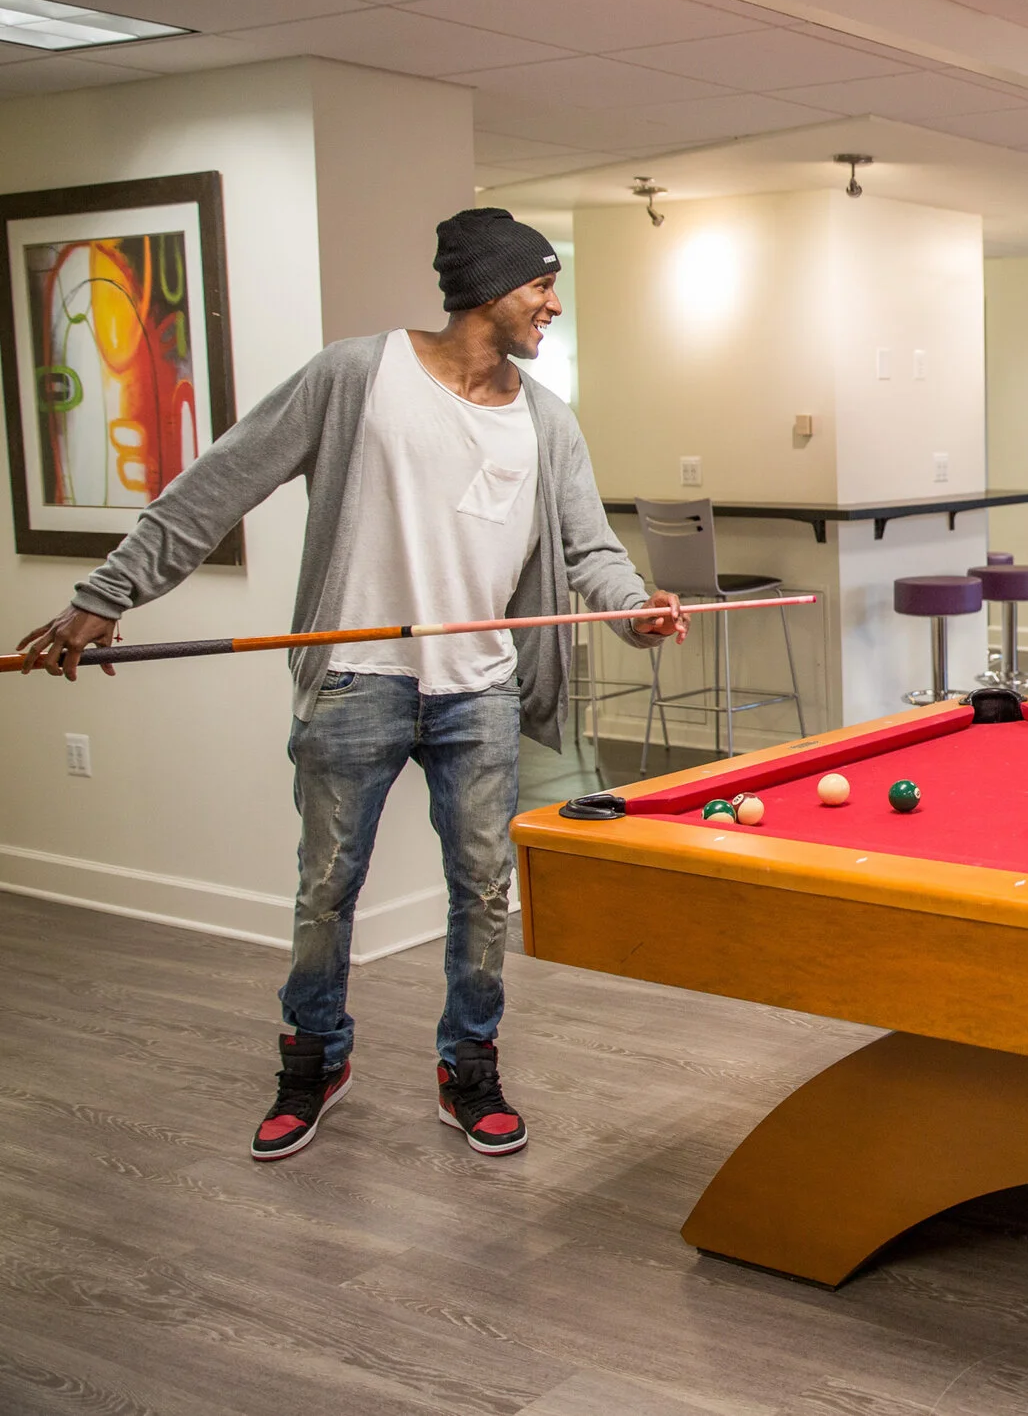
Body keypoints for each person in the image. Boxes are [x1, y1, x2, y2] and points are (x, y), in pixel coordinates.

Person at [14, 208, 687, 1161]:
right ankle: (314, 1058)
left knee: (485, 890)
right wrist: (108, 592)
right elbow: (221, 481)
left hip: (480, 690)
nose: (553, 303)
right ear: (490, 289)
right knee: (327, 888)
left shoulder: (545, 418)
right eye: (540, 285)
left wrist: (634, 611)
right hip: (358, 681)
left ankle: (471, 1068)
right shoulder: (354, 377)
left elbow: (591, 550)